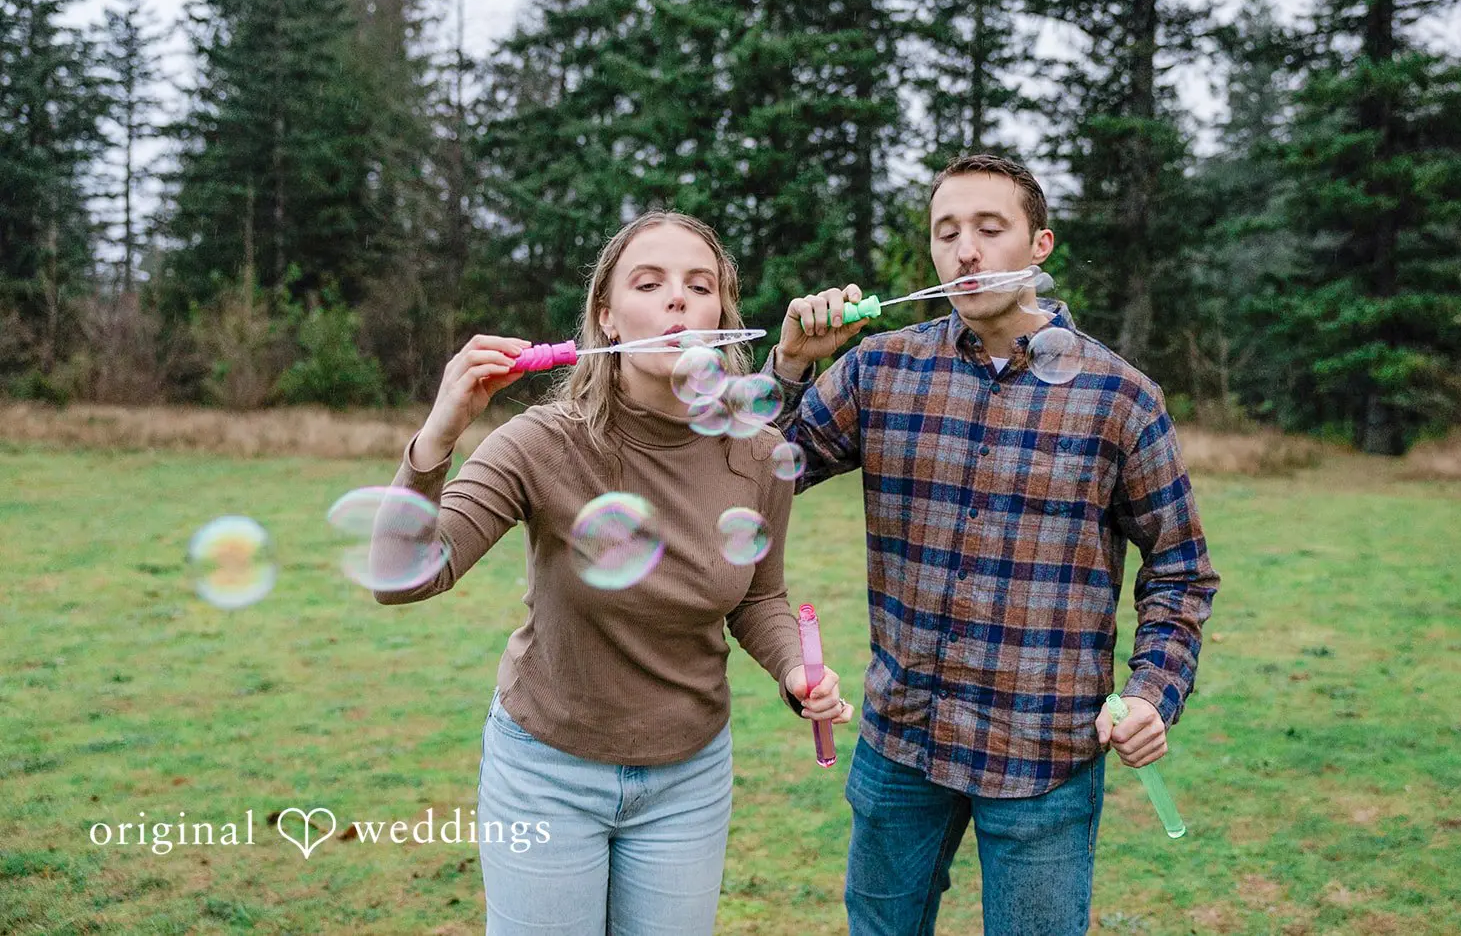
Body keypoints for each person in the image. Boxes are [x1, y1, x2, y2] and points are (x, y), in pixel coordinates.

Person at [766, 153, 1220, 936]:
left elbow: (1180, 570)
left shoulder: (1120, 397)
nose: (965, 250)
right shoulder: (880, 368)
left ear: (1039, 245)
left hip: (1042, 754)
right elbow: (762, 474)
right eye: (946, 232)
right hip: (902, 742)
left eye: (988, 227)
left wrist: (1152, 692)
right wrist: (791, 364)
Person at [375, 210, 853, 936]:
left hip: (689, 777)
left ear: (722, 319)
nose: (677, 299)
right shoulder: (540, 442)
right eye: (649, 283)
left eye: (700, 286)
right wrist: (440, 431)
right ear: (606, 315)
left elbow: (760, 598)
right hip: (545, 771)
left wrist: (796, 669)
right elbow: (402, 577)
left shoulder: (756, 452)